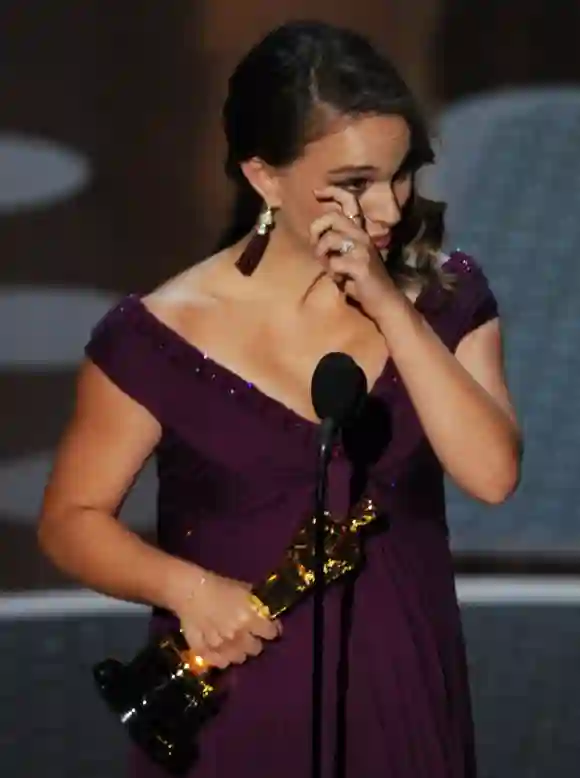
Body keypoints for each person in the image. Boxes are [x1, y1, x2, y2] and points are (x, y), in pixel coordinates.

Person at [38, 19, 522, 778]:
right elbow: (70, 521)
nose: (391, 211)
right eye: (355, 184)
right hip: (235, 703)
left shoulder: (447, 299)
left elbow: (492, 475)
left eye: (402, 175)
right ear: (265, 177)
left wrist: (391, 309)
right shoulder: (159, 336)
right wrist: (186, 588)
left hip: (401, 698)